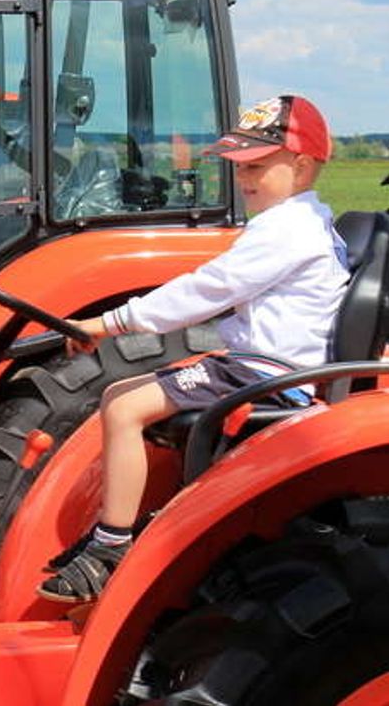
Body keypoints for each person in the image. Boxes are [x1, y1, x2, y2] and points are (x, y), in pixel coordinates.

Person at [37, 95, 349, 603]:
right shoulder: (299, 222)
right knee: (120, 393)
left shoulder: (288, 230)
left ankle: (111, 547)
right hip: (256, 365)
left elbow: (208, 290)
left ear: (301, 165)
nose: (244, 180)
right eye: (239, 166)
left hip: (265, 372)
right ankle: (116, 535)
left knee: (124, 407)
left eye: (257, 167)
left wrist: (109, 323)